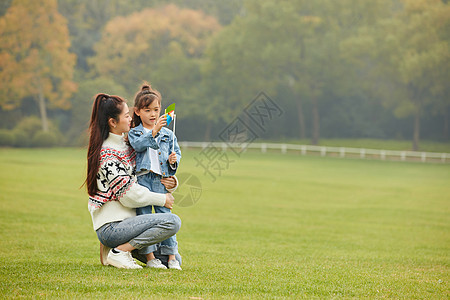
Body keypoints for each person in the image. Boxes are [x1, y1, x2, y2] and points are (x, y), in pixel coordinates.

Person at [85, 93, 181, 269]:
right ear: (113, 122)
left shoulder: (128, 143)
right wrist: (163, 199)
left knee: (174, 260)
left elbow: (149, 169)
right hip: (113, 227)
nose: (131, 119)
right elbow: (128, 196)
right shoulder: (107, 153)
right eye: (127, 115)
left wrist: (172, 181)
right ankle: (119, 251)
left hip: (134, 224)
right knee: (172, 222)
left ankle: (119, 248)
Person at [128, 84, 182, 270]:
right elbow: (138, 146)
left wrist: (173, 161)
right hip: (143, 180)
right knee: (144, 218)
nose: (153, 114)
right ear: (137, 111)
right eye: (147, 110)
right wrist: (154, 131)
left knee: (165, 216)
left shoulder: (168, 134)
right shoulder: (135, 132)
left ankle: (172, 257)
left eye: (156, 110)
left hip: (160, 180)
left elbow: (176, 154)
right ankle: (150, 257)